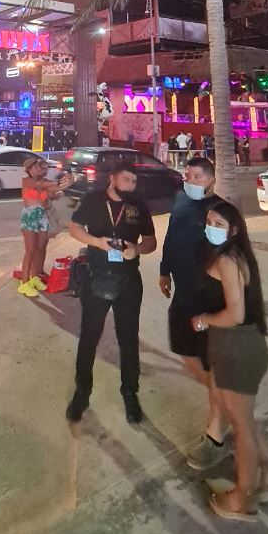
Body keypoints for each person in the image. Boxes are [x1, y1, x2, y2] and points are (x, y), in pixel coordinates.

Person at [191, 201, 268, 520]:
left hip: (238, 349)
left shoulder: (228, 260)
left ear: (233, 229)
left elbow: (235, 314)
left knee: (243, 427)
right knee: (236, 413)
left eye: (219, 224)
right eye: (209, 221)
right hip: (233, 348)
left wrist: (204, 319)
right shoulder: (233, 255)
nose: (211, 227)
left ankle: (243, 499)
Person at [66, 161, 158, 424]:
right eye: (127, 179)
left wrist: (136, 250)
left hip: (129, 281)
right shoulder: (93, 200)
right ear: (113, 178)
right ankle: (82, 393)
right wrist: (97, 242)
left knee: (128, 340)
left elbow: (150, 241)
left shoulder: (138, 205)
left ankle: (130, 393)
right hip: (96, 278)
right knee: (89, 337)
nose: (131, 185)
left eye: (134, 181)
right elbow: (74, 228)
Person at [159, 157, 228, 469]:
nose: (191, 181)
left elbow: (233, 254)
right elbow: (172, 237)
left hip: (209, 297)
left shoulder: (220, 211)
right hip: (183, 294)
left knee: (211, 361)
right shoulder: (181, 200)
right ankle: (223, 398)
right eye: (188, 175)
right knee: (186, 354)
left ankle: (217, 430)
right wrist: (164, 271)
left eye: (197, 177)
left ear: (210, 181)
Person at [18, 157, 72, 297]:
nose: (39, 169)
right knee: (30, 250)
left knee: (40, 247)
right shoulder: (27, 180)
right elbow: (44, 185)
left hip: (42, 216)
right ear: (29, 170)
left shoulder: (44, 182)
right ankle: (24, 283)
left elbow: (56, 189)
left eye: (39, 167)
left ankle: (35, 277)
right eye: (35, 167)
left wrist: (69, 181)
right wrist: (60, 184)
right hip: (30, 215)